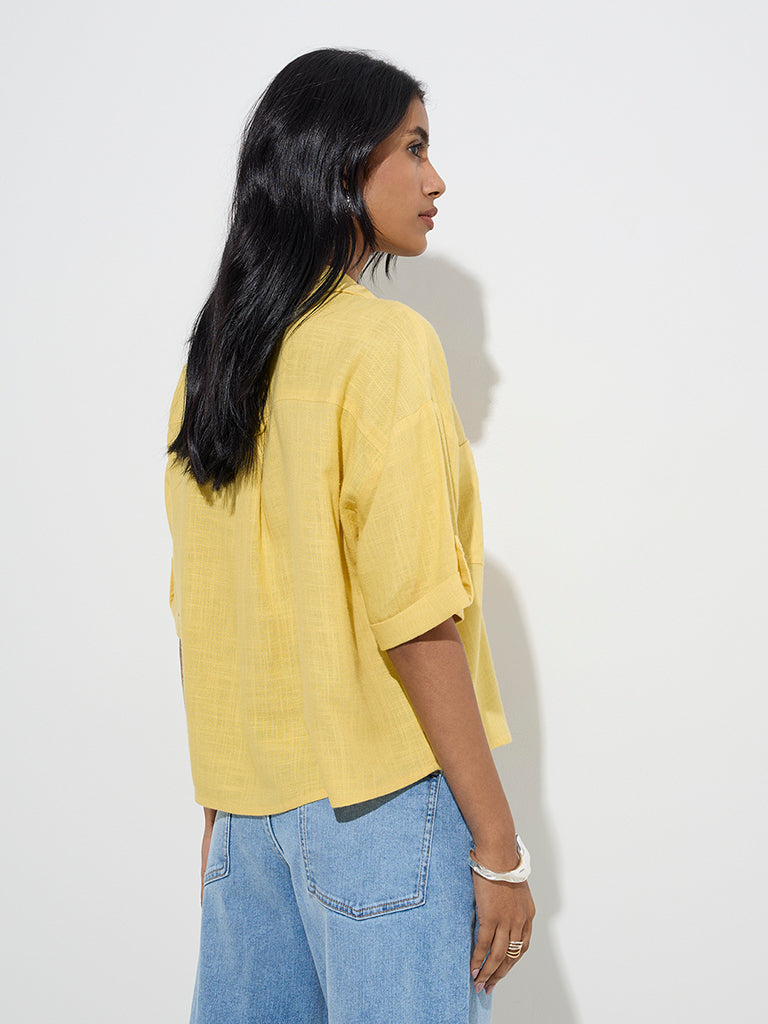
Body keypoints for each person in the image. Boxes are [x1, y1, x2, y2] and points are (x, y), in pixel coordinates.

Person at [164, 47, 535, 1024]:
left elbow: (206, 612)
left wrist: (219, 818)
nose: (435, 178)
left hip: (246, 821)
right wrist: (500, 847)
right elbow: (414, 615)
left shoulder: (214, 367)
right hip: (382, 812)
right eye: (413, 147)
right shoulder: (383, 344)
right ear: (338, 162)